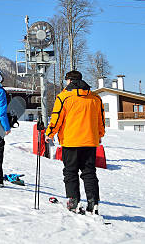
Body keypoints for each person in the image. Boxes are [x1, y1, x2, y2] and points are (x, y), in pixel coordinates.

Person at [45, 70, 105, 214]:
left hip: (70, 141)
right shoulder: (95, 98)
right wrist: (99, 135)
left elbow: (56, 118)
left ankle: (73, 201)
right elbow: (100, 120)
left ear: (69, 81)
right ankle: (93, 202)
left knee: (70, 172)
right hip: (90, 141)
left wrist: (49, 134)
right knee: (89, 172)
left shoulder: (64, 97)